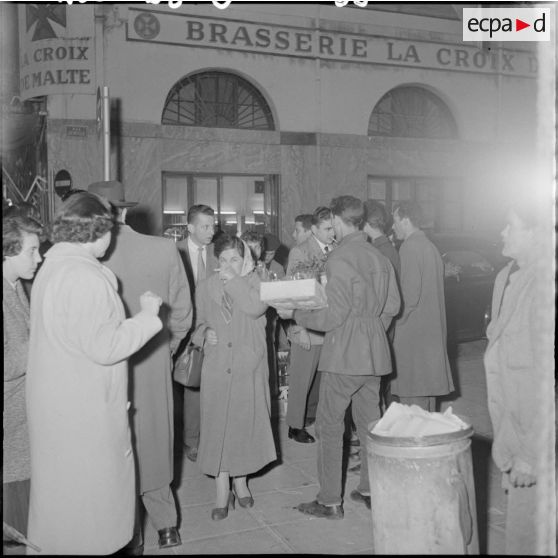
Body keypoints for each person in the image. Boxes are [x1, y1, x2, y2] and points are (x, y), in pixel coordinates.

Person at [25, 192, 164, 555]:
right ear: (98, 232)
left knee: (64, 511)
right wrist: (147, 318)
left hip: (59, 408)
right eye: (111, 231)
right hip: (84, 415)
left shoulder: (51, 269)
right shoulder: (85, 276)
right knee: (95, 515)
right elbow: (106, 347)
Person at [278, 195, 400, 518]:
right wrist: (371, 330)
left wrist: (296, 315)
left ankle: (330, 500)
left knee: (330, 426)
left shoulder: (340, 259)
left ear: (335, 218)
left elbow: (332, 316)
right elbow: (392, 307)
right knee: (369, 424)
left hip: (345, 355)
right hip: (374, 355)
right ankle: (370, 489)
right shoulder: (380, 257)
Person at [88, 181, 192, 552]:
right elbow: (182, 312)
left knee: (115, 444)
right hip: (152, 357)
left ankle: (129, 534)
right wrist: (167, 348)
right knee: (155, 438)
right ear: (126, 211)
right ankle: (167, 525)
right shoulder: (164, 248)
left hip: (103, 364)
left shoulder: (90, 256)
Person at [483, 201, 555, 555]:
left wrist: (530, 454)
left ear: (537, 232)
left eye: (510, 226)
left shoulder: (543, 286)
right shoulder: (513, 277)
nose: (502, 232)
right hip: (516, 430)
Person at [191, 234, 277, 520]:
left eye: (235, 259)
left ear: (245, 259)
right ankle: (220, 488)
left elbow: (254, 308)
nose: (228, 265)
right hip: (216, 367)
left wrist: (235, 280)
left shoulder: (257, 282)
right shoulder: (205, 287)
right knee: (218, 427)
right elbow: (196, 324)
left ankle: (241, 483)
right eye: (224, 259)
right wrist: (204, 334)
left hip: (247, 365)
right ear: (216, 260)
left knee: (242, 424)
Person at [391, 201, 454, 411]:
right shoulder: (430, 246)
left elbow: (409, 297)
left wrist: (394, 322)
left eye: (396, 221)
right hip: (430, 335)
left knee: (412, 408)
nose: (393, 226)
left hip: (413, 338)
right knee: (428, 405)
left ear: (406, 220)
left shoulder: (410, 247)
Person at [3, 213, 43, 544]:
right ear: (8, 249)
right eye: (32, 250)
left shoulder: (17, 287)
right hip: (10, 438)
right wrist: (44, 340)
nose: (38, 258)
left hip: (23, 427)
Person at [283, 207, 335, 443]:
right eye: (327, 228)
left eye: (333, 227)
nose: (332, 232)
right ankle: (295, 425)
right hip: (308, 324)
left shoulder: (336, 248)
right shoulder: (300, 251)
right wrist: (300, 327)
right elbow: (295, 294)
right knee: (302, 378)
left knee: (320, 380)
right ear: (314, 229)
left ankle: (312, 416)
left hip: (329, 324)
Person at [176, 205, 218, 463]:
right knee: (192, 382)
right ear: (190, 227)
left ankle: (211, 435)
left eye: (212, 226)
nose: (211, 231)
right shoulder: (174, 252)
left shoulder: (219, 254)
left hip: (212, 326)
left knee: (212, 383)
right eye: (205, 226)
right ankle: (191, 440)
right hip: (185, 326)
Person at [363, 199, 400, 413]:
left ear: (366, 224)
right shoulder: (387, 248)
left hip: (380, 326)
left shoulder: (380, 252)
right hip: (385, 325)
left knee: (377, 382)